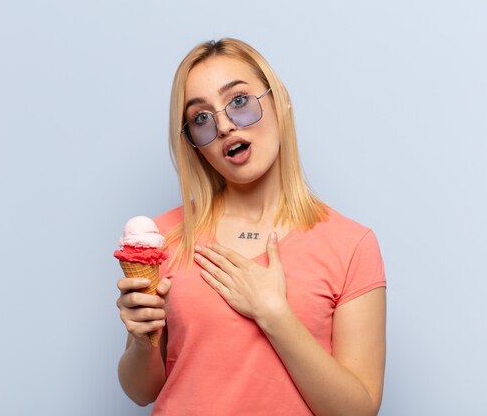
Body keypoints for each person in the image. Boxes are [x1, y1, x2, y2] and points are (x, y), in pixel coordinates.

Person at [116, 38, 386, 416]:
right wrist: (141, 342)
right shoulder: (165, 237)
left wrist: (273, 314)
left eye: (239, 101)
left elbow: (358, 411)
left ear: (280, 101)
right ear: (194, 143)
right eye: (201, 118)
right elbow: (141, 391)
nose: (224, 125)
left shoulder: (352, 245)